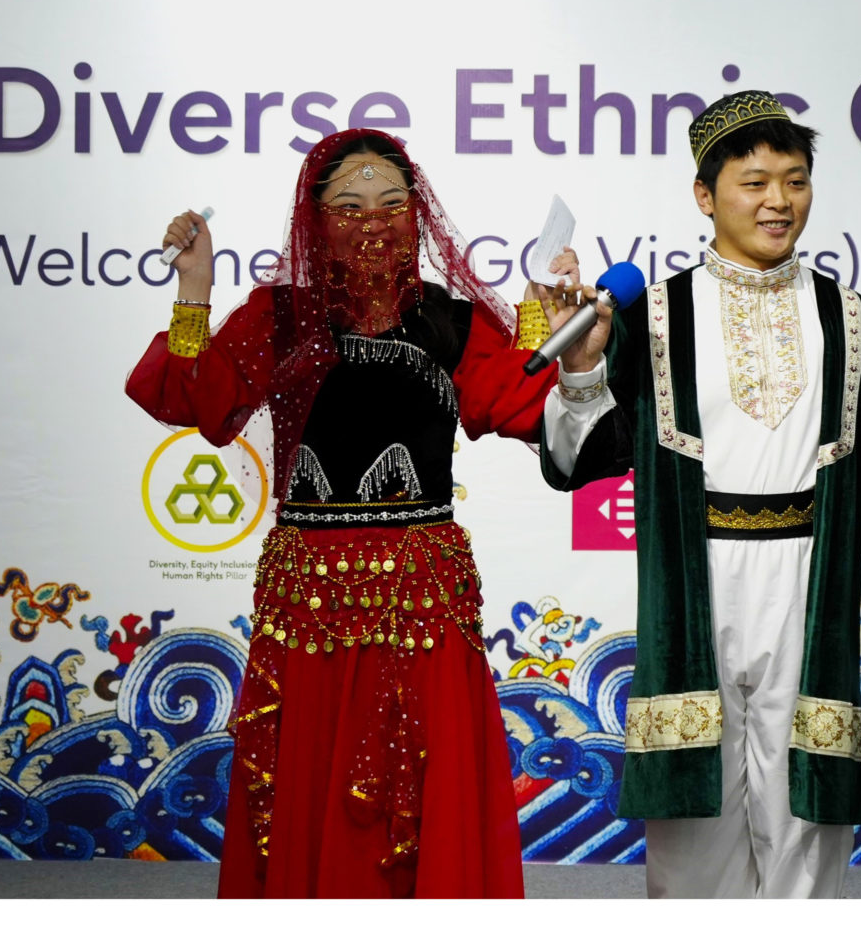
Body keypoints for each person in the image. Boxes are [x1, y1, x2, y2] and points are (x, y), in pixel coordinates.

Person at [532, 91, 861, 898]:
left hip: (807, 589)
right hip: (694, 587)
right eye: (754, 182)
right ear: (703, 195)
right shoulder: (651, 316)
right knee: (692, 845)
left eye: (794, 180)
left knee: (805, 835)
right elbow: (582, 459)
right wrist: (579, 371)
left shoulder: (852, 317)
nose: (778, 201)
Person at [125, 128, 555, 898]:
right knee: (311, 783)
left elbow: (520, 401)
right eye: (348, 206)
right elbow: (199, 400)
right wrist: (195, 286)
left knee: (422, 792)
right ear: (313, 217)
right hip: (307, 607)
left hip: (420, 602)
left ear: (417, 216)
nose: (372, 222)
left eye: (392, 205)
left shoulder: (450, 323)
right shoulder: (281, 318)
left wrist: (554, 332)